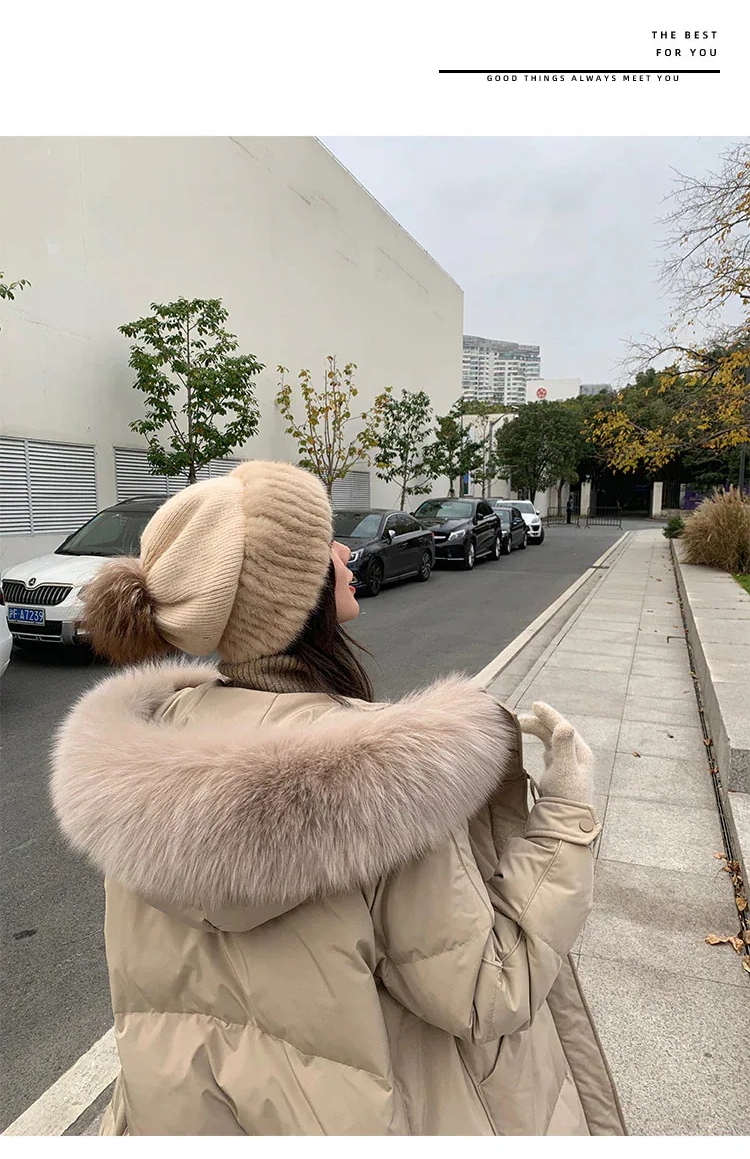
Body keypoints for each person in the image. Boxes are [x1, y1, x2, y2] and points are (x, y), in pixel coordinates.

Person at [51, 460, 625, 1136]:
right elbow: (487, 991)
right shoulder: (386, 781)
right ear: (287, 594)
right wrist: (565, 814)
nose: (347, 552)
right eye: (325, 543)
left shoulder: (143, 760)